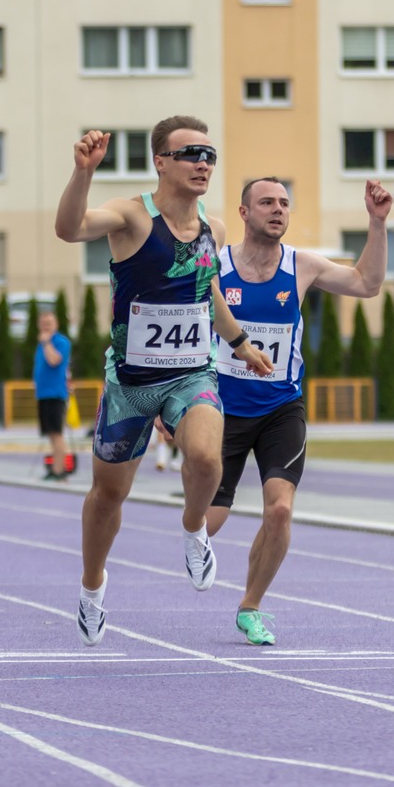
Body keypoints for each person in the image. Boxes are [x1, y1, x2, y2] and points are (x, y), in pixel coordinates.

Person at [53, 117, 273, 646]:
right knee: (108, 496)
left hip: (192, 374)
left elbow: (208, 292)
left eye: (210, 154)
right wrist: (83, 173)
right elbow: (69, 228)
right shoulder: (131, 216)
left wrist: (241, 344)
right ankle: (91, 586)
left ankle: (195, 529)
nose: (203, 163)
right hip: (130, 381)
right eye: (190, 153)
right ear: (161, 161)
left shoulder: (215, 229)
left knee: (204, 458)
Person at [205, 176, 390, 646]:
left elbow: (367, 283)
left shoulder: (301, 266)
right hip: (221, 410)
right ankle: (191, 541)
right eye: (266, 202)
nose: (278, 210)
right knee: (209, 520)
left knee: (281, 510)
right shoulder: (216, 265)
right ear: (244, 213)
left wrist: (376, 222)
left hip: (280, 409)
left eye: (285, 203)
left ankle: (250, 607)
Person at [34, 311, 75, 479]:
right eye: (44, 324)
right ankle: (54, 467)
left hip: (55, 393)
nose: (46, 327)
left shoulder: (60, 342)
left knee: (57, 433)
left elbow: (54, 360)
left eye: (49, 324)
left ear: (56, 325)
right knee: (50, 433)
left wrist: (46, 343)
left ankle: (60, 470)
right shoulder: (41, 345)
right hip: (43, 394)